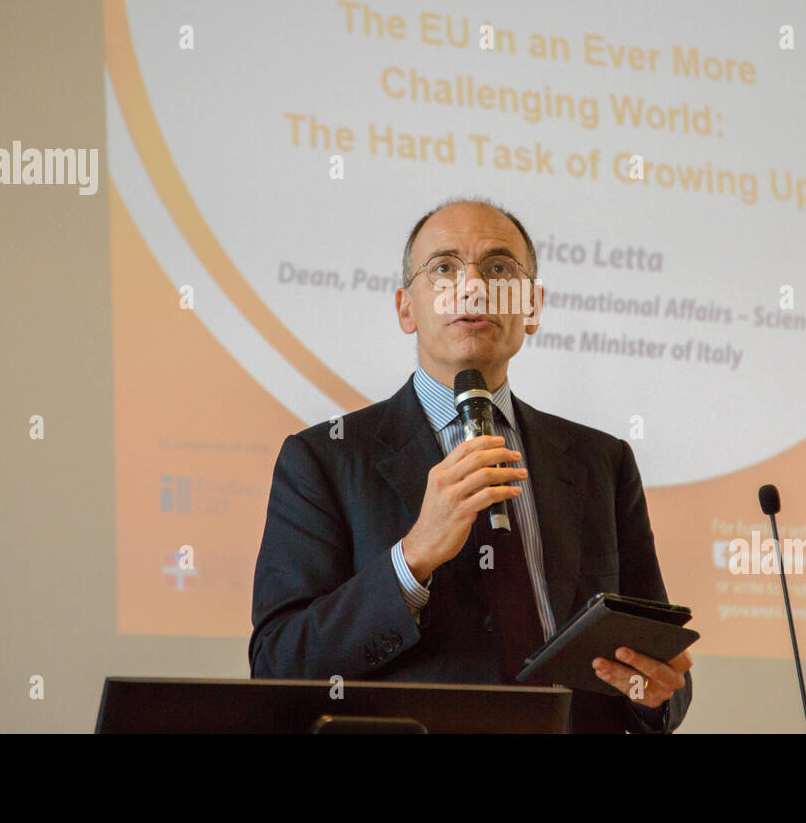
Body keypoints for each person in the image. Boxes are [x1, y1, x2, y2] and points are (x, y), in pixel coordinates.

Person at [249, 197, 693, 732]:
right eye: (443, 268)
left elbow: (656, 661)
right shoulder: (325, 459)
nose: (474, 288)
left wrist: (655, 692)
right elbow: (278, 664)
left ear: (532, 308)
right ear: (405, 309)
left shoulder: (603, 461)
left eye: (500, 269)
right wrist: (411, 560)